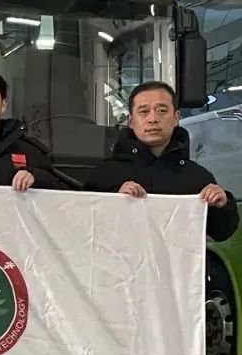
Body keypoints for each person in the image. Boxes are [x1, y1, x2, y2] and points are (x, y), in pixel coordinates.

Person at [85, 80, 239, 241]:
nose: (152, 118)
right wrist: (113, 201)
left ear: (176, 118)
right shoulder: (105, 174)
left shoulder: (197, 177)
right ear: (131, 121)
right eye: (143, 111)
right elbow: (82, 226)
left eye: (161, 110)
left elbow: (221, 233)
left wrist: (222, 204)